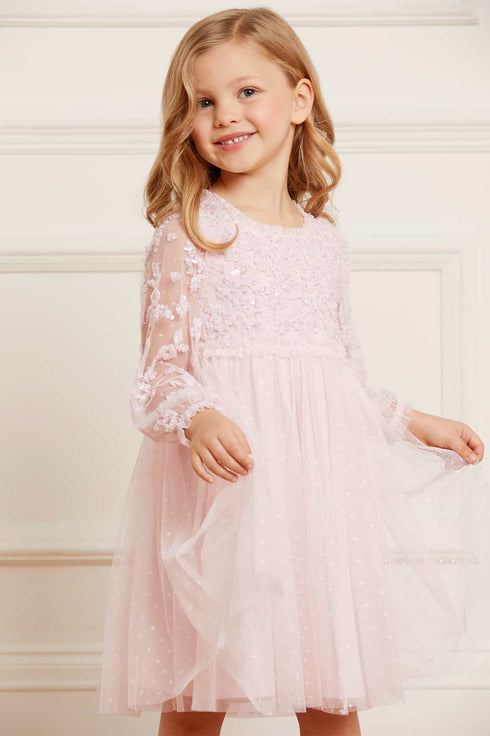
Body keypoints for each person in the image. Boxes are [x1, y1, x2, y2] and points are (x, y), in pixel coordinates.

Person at [97, 7, 490, 736]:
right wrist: (199, 417)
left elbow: (339, 377)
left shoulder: (323, 245)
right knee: (197, 700)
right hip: (224, 499)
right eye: (204, 101)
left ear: (300, 100)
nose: (224, 114)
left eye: (247, 92)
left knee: (331, 694)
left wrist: (415, 422)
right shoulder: (188, 234)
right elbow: (157, 379)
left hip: (317, 499)